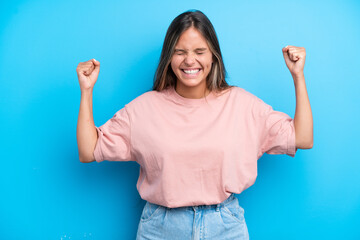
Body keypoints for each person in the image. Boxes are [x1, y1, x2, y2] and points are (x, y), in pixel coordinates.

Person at [76, 9, 313, 240]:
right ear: (169, 57)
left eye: (200, 51)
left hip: (225, 226)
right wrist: (87, 91)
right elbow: (89, 150)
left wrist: (298, 76)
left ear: (213, 56)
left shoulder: (241, 104)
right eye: (180, 52)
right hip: (161, 227)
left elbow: (301, 137)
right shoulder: (144, 109)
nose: (190, 60)